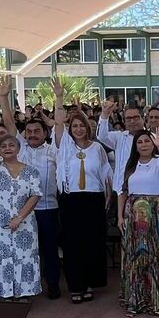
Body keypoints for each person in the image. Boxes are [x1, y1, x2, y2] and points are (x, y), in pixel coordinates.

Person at [0, 80, 60, 299]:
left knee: (49, 250)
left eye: (36, 131)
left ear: (44, 133)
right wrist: (3, 99)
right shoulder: (20, 149)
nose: (32, 134)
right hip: (22, 212)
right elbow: (8, 123)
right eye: (29, 131)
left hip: (48, 208)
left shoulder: (54, 151)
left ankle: (52, 284)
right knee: (25, 251)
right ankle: (26, 287)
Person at [52, 77, 112, 304]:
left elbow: (106, 173)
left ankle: (89, 283)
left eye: (82, 126)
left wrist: (108, 196)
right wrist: (59, 98)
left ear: (88, 128)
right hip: (71, 199)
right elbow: (58, 124)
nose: (78, 129)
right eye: (74, 126)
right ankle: (75, 286)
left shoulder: (97, 148)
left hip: (94, 200)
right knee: (72, 243)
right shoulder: (64, 146)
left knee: (92, 243)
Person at [0, 106, 42, 301]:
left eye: (11, 145)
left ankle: (23, 293)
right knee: (1, 257)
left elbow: (35, 195)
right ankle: (4, 292)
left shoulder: (31, 171)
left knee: (24, 256)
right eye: (3, 146)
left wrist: (20, 217)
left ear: (18, 148)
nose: (8, 148)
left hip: (25, 222)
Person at [118, 126, 159, 316]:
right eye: (140, 142)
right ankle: (137, 297)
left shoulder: (158, 161)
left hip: (157, 213)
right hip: (134, 215)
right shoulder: (130, 166)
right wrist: (120, 216)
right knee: (136, 257)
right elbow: (123, 192)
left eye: (147, 140)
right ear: (135, 146)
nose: (144, 144)